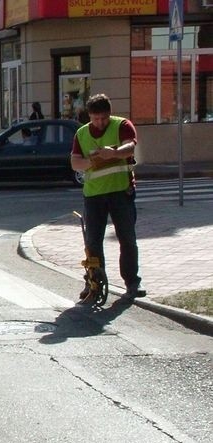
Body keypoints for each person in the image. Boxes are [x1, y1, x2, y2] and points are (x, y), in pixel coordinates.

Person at [70, 93, 145, 301]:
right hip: (94, 195)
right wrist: (91, 162)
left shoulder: (122, 125)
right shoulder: (82, 134)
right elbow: (75, 163)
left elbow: (130, 146)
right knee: (93, 241)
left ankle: (132, 282)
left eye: (103, 118)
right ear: (89, 117)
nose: (100, 123)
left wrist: (113, 153)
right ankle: (94, 282)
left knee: (127, 238)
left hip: (121, 191)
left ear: (109, 114)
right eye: (95, 119)